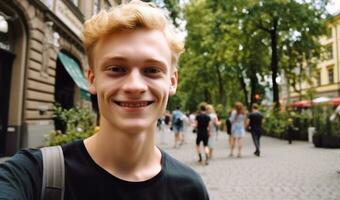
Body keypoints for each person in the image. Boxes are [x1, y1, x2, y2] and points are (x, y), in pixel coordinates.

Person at [0, 1, 209, 199]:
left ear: (172, 82)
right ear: (92, 79)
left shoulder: (190, 190)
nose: (134, 86)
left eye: (152, 70)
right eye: (116, 69)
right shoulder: (33, 175)